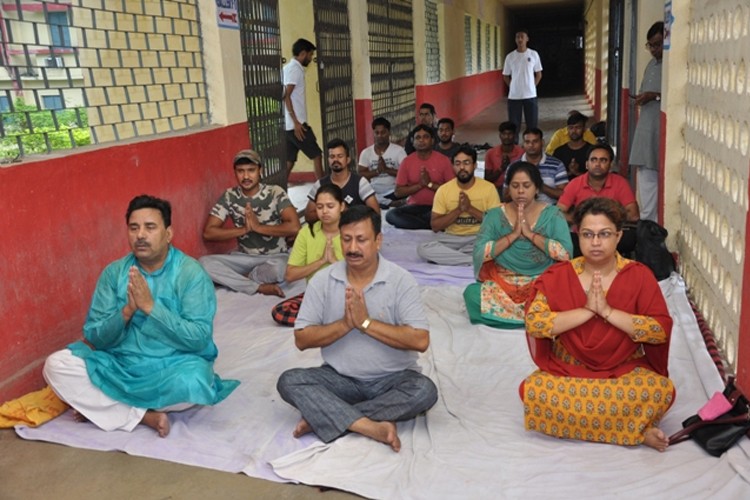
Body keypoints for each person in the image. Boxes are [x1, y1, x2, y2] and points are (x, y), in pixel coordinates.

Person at [43, 195, 239, 437]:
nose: (141, 235)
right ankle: (144, 416)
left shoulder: (191, 274)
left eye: (150, 227)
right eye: (134, 228)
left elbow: (199, 338)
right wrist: (125, 313)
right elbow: (95, 337)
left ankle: (103, 407)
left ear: (168, 234)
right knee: (56, 365)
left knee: (193, 383)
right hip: (121, 366)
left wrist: (151, 308)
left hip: (172, 366)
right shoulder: (114, 273)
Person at [276, 206, 438, 452]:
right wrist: (345, 324)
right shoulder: (323, 280)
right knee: (289, 381)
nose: (352, 248)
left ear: (378, 241)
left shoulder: (400, 280)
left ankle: (326, 416)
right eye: (347, 239)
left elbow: (420, 340)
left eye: (361, 240)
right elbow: (302, 339)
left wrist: (366, 323)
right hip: (340, 380)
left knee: (424, 391)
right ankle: (370, 426)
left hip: (392, 380)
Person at [521, 197, 674, 451]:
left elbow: (658, 331)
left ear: (618, 236)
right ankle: (634, 431)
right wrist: (587, 310)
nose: (595, 242)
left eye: (603, 234)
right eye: (587, 234)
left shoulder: (638, 275)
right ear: (577, 236)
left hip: (623, 370)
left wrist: (608, 311)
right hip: (569, 369)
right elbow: (535, 324)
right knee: (533, 390)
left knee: (658, 389)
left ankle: (580, 425)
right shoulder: (559, 276)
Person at [464, 162, 572, 328]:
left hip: (541, 282)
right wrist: (513, 235)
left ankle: (508, 318)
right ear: (508, 189)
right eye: (515, 186)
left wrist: (530, 234)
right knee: (472, 295)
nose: (520, 191)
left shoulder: (553, 215)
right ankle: (535, 318)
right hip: (503, 283)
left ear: (537, 189)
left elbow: (565, 254)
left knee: (567, 295)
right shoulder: (494, 215)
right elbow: (480, 252)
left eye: (526, 186)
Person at [200, 150, 301, 297]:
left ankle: (244, 279)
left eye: (251, 170)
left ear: (260, 170)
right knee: (203, 263)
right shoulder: (230, 196)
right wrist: (244, 229)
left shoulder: (275, 192)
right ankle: (257, 286)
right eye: (240, 171)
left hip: (275, 257)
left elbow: (294, 226)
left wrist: (259, 228)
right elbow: (209, 232)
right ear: (235, 172)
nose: (246, 176)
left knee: (279, 269)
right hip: (244, 257)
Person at [272, 185, 345, 327]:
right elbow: (290, 275)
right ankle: (330, 318)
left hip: (347, 293)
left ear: (341, 206)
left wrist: (334, 261)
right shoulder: (306, 233)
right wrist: (321, 261)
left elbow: (362, 274)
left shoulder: (351, 232)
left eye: (330, 206)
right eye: (319, 207)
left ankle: (322, 318)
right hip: (316, 294)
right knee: (280, 312)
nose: (324, 211)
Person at [417, 144, 501, 266]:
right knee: (423, 248)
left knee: (498, 244)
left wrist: (469, 209)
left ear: (475, 165)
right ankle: (471, 260)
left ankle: (452, 257)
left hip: (478, 237)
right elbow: (435, 226)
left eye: (466, 163)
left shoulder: (489, 188)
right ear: (453, 167)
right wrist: (458, 210)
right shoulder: (444, 190)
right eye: (457, 163)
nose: (462, 167)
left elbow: (496, 224)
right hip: (452, 238)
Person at [558, 143, 640, 256]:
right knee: (566, 241)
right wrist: (580, 219)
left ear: (610, 165)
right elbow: (557, 212)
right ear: (587, 164)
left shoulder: (620, 183)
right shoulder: (575, 184)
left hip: (611, 235)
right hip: (583, 236)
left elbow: (634, 215)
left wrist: (605, 220)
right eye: (593, 160)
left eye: (603, 160)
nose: (597, 164)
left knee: (631, 238)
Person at [386, 124, 455, 230]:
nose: (422, 140)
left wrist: (430, 184)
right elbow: (398, 192)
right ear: (413, 142)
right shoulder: (407, 162)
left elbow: (452, 191)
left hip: (438, 207)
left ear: (432, 140)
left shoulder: (444, 160)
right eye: (418, 137)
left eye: (426, 137)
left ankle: (421, 223)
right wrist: (420, 185)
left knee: (449, 214)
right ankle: (431, 225)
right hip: (415, 207)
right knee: (391, 215)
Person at [629, 21, 664, 223]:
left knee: (658, 175)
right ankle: (647, 223)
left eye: (657, 44)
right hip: (646, 127)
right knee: (645, 173)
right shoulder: (651, 65)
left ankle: (655, 225)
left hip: (660, 128)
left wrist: (655, 96)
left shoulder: (669, 64)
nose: (653, 50)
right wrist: (643, 97)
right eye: (650, 45)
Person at [304, 138, 380, 224]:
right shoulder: (320, 184)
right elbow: (308, 216)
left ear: (348, 160)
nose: (336, 160)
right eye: (332, 156)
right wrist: (333, 213)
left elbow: (375, 213)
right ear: (328, 160)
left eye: (340, 156)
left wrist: (348, 214)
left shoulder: (360, 182)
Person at [283, 38, 323, 179]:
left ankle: (277, 189)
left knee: (289, 161)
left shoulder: (288, 68)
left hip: (289, 126)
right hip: (297, 126)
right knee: (317, 155)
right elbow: (286, 95)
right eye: (310, 54)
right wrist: (296, 122)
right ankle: (323, 190)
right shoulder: (295, 70)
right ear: (302, 53)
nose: (311, 58)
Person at [506, 128, 568, 205]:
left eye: (535, 141)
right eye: (527, 142)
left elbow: (565, 196)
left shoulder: (557, 164)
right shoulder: (513, 167)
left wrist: (540, 184)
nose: (531, 145)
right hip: (522, 209)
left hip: (549, 209)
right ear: (523, 144)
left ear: (542, 142)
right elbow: (506, 196)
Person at [358, 117, 407, 208]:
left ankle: (382, 203)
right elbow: (361, 174)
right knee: (364, 193)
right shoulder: (366, 152)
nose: (380, 135)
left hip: (393, 190)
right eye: (377, 133)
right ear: (373, 133)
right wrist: (377, 171)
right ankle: (389, 203)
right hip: (374, 190)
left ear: (389, 132)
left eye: (383, 132)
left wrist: (387, 170)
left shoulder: (399, 151)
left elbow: (406, 174)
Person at [502, 29, 542, 141]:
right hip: (514, 97)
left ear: (527, 39)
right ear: (515, 40)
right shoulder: (510, 57)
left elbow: (538, 74)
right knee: (514, 125)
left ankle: (532, 144)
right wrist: (513, 86)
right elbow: (505, 75)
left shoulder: (533, 54)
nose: (520, 39)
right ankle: (514, 146)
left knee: (532, 124)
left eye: (522, 37)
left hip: (530, 96)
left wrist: (532, 86)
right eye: (517, 37)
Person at [484, 121, 524, 191]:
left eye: (510, 134)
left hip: (517, 188)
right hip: (496, 188)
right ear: (500, 135)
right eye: (504, 134)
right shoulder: (490, 153)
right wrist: (501, 168)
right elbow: (487, 179)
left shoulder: (522, 153)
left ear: (515, 135)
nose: (506, 137)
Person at [552, 112, 592, 180]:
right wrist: (570, 173)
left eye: (578, 127)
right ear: (567, 129)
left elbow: (597, 179)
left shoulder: (592, 151)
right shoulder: (559, 152)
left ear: (584, 129)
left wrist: (577, 173)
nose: (574, 131)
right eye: (571, 128)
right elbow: (553, 177)